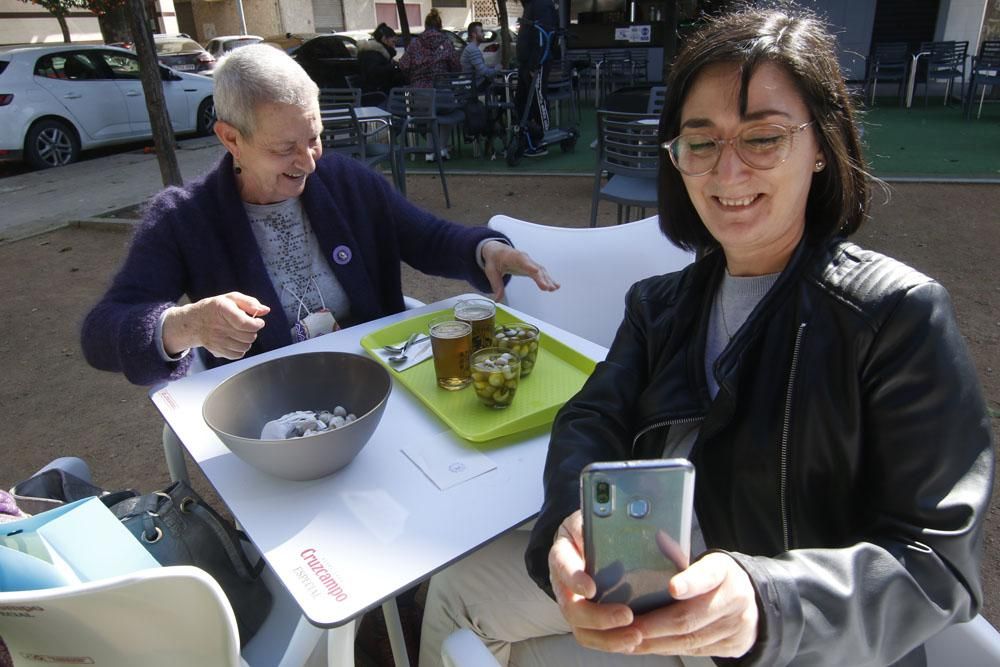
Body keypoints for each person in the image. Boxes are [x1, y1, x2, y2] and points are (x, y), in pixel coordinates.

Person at [419, 7, 994, 667]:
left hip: (797, 642)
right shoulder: (661, 303)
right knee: (456, 589)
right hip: (650, 578)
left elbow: (938, 567)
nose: (727, 173)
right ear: (676, 156)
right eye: (701, 141)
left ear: (820, 149)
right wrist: (568, 528)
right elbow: (591, 417)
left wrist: (764, 599)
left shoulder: (895, 317)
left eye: (763, 138)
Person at [80, 44, 557, 387]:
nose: (308, 162)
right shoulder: (184, 219)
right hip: (273, 406)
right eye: (285, 148)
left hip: (379, 382)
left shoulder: (345, 180)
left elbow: (426, 236)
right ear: (230, 139)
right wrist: (182, 324)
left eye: (314, 138)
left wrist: (485, 249)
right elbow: (101, 332)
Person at [514, 0, 558, 158]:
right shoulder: (532, 5)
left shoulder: (540, 5)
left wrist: (535, 64)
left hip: (536, 63)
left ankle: (541, 139)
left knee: (538, 100)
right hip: (527, 62)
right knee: (521, 100)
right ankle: (527, 136)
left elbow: (543, 36)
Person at [398, 9, 461, 89]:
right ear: (440, 26)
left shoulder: (415, 44)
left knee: (407, 99)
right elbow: (456, 67)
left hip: (418, 92)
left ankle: (408, 102)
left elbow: (403, 66)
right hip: (443, 91)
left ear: (426, 26)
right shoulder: (447, 44)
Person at [357, 23, 404, 100]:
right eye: (393, 42)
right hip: (377, 93)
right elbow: (375, 72)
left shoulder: (378, 53)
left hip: (381, 91)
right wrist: (395, 67)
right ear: (384, 39)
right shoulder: (372, 54)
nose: (394, 46)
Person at [461, 22, 498, 90]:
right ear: (474, 34)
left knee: (499, 85)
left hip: (474, 82)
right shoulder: (472, 49)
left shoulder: (471, 48)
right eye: (481, 32)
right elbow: (483, 71)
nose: (483, 34)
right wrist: (497, 69)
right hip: (475, 84)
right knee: (503, 87)